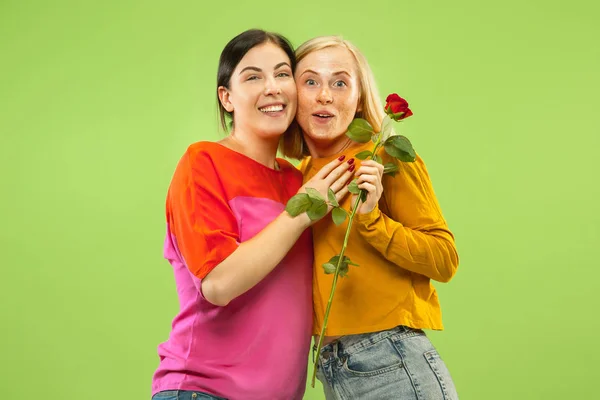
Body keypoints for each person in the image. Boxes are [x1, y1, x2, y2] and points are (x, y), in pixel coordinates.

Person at [151, 29, 357, 400]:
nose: (273, 87)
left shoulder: (301, 179)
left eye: (282, 74)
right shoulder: (203, 163)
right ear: (226, 97)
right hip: (202, 391)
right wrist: (303, 210)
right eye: (253, 77)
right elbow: (218, 284)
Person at [281, 35, 460, 399]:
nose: (325, 95)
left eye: (340, 82)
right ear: (292, 94)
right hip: (333, 368)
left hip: (392, 361)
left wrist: (372, 220)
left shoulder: (383, 158)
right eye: (310, 81)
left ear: (359, 97)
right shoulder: (298, 178)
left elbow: (445, 259)